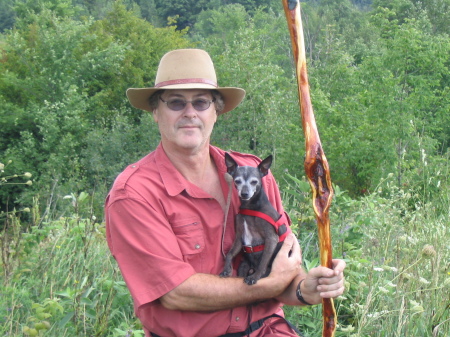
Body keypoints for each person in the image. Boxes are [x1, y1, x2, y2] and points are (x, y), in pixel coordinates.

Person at [105, 49, 346, 337]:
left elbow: (283, 271)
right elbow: (176, 293)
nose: (190, 113)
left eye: (201, 102)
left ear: (216, 112)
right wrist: (267, 285)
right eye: (176, 103)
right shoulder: (134, 194)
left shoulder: (255, 174)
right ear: (156, 112)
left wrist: (307, 288)